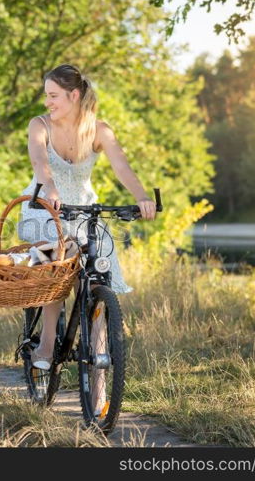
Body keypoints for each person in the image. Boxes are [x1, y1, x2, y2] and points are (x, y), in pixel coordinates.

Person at [18, 64, 156, 372]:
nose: (47, 102)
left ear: (74, 95)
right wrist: (50, 188)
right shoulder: (39, 125)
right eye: (46, 96)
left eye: (53, 96)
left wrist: (142, 198)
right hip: (46, 206)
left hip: (83, 208)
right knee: (56, 265)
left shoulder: (99, 130)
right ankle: (48, 342)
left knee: (95, 277)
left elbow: (122, 167)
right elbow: (41, 163)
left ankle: (98, 364)